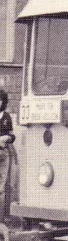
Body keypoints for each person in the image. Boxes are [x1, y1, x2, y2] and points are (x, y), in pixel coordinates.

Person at [0, 89, 18, 226]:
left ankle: (1, 219)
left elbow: (12, 136)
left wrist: (7, 138)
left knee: (2, 188)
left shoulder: (6, 117)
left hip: (3, 154)